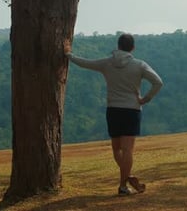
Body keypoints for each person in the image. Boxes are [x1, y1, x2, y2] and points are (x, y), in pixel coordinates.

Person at [65, 33, 163, 196]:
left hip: (113, 110)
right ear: (133, 47)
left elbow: (84, 63)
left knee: (117, 149)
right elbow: (158, 82)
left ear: (118, 46)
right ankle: (124, 183)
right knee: (128, 150)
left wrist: (68, 54)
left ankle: (126, 179)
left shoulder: (106, 63)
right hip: (132, 110)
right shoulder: (139, 65)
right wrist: (145, 99)